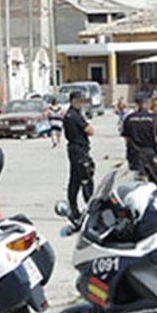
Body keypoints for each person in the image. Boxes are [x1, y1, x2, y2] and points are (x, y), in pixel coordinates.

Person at [63, 90, 95, 221]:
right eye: (80, 101)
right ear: (74, 101)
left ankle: (73, 207)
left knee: (75, 179)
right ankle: (91, 208)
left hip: (74, 149)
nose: (82, 104)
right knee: (86, 178)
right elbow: (90, 131)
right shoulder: (75, 115)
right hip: (79, 150)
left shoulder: (69, 114)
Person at [121, 95, 157, 186]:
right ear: (147, 104)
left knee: (137, 182)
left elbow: (126, 138)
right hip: (150, 153)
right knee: (155, 183)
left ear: (136, 104)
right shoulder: (154, 119)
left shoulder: (129, 118)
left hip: (134, 154)